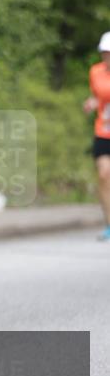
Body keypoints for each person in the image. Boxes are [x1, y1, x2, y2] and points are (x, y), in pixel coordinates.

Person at [83, 30, 110, 241]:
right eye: (104, 53)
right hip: (104, 130)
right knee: (103, 175)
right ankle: (109, 225)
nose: (107, 57)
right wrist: (92, 102)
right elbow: (97, 95)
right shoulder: (95, 72)